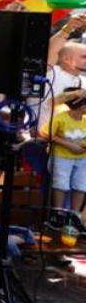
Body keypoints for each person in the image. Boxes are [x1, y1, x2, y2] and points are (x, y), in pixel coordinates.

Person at [47, 94, 86, 228]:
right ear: (80, 105)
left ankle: (74, 216)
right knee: (61, 183)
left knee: (81, 185)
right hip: (62, 156)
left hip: (82, 158)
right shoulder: (61, 117)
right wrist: (68, 144)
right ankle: (58, 213)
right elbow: (45, 133)